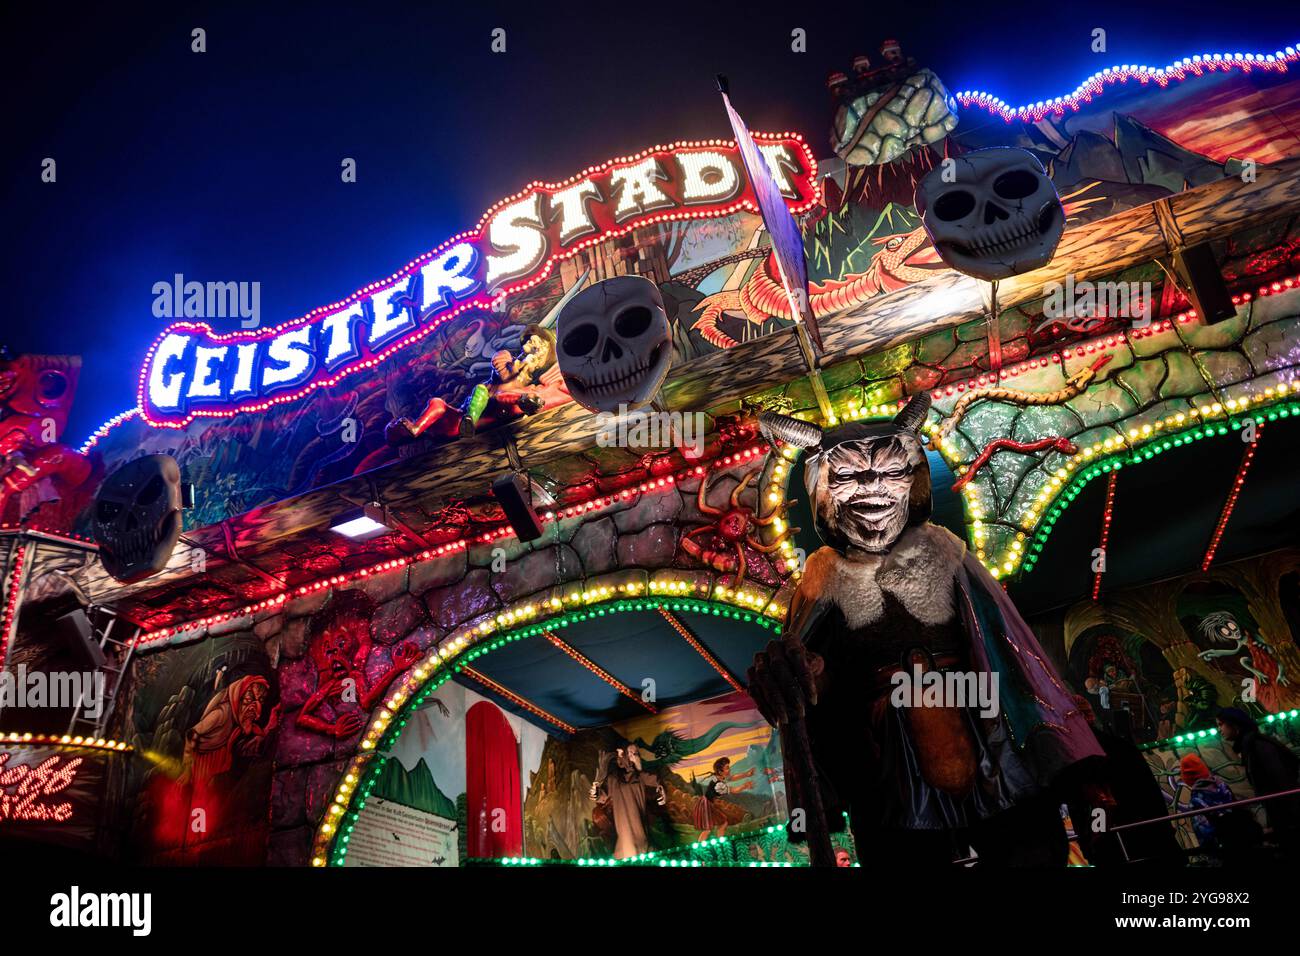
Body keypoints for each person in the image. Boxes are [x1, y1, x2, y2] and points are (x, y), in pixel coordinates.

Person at [1065, 696, 1182, 865]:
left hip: (1121, 844)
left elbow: (1101, 802)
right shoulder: (1119, 746)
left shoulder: (1087, 756)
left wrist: (1096, 842)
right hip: (1152, 836)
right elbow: (1149, 793)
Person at [1216, 707, 1300, 855]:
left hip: (1289, 815)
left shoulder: (1256, 745)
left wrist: (1286, 819)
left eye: (1221, 724)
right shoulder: (1251, 744)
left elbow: (1281, 780)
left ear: (1234, 724)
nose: (1219, 729)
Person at [1178, 753, 1261, 863]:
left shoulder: (1196, 800)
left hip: (1225, 849)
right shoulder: (1222, 786)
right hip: (1244, 840)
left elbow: (1204, 832)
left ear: (1188, 779)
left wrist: (1211, 855)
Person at [692, 756, 755, 841]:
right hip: (706, 805)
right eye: (727, 768)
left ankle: (720, 842)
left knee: (722, 823)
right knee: (708, 829)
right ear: (720, 771)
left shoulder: (719, 777)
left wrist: (746, 774)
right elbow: (733, 790)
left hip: (709, 804)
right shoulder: (719, 785)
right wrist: (745, 786)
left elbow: (732, 778)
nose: (729, 769)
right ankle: (701, 848)